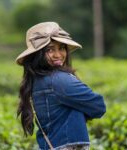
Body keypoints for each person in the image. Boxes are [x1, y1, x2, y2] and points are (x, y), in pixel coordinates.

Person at [16, 22, 106, 150]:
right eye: (49, 49)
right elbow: (99, 106)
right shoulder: (59, 80)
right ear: (37, 55)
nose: (58, 55)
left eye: (61, 48)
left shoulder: (37, 80)